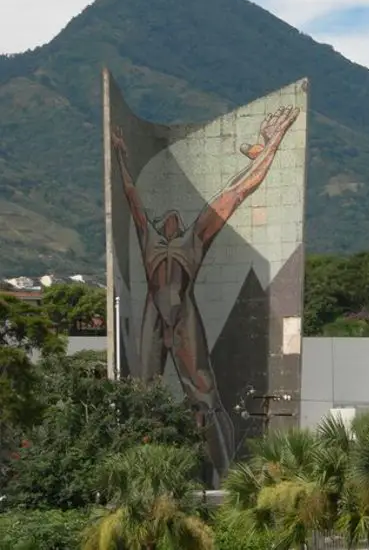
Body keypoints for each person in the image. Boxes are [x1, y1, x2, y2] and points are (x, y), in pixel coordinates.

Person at [110, 105, 300, 482]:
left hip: (182, 313)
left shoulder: (195, 237)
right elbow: (131, 197)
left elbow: (236, 192)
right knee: (142, 395)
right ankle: (140, 474)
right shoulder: (148, 236)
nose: (172, 214)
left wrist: (273, 144)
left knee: (204, 398)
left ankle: (225, 472)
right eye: (167, 213)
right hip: (152, 312)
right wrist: (118, 153)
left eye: (177, 213)